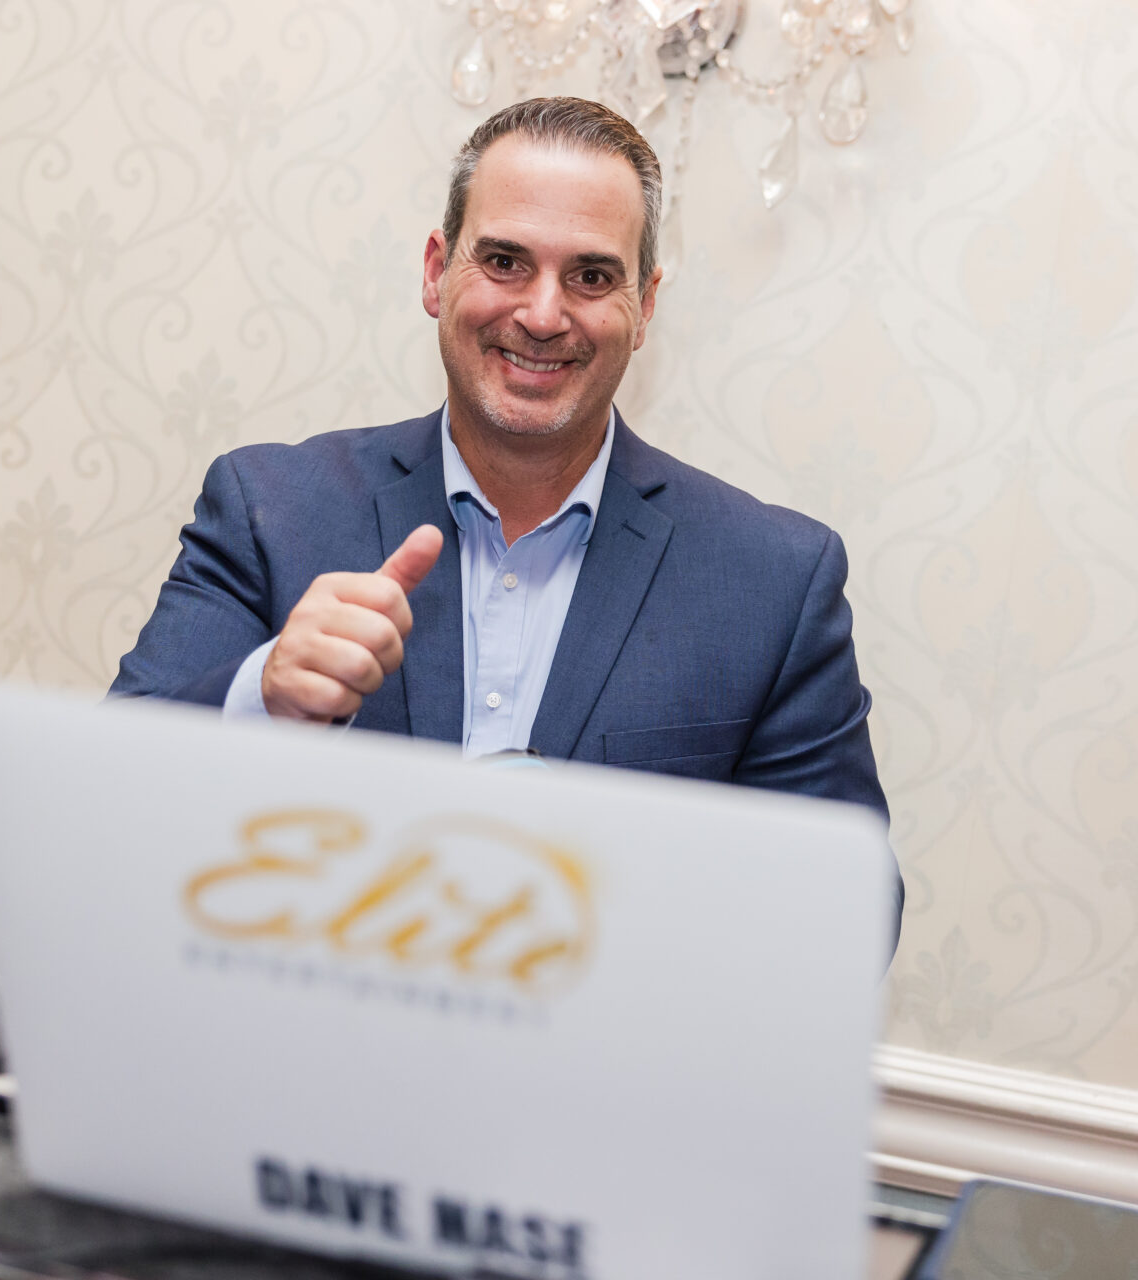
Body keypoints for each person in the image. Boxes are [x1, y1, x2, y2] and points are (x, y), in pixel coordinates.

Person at [111, 96, 900, 944]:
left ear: (645, 306)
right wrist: (262, 698)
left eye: (591, 277)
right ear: (435, 271)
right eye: (504, 261)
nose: (543, 315)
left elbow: (850, 918)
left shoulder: (773, 581)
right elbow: (109, 797)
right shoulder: (270, 508)